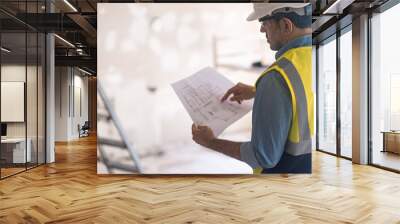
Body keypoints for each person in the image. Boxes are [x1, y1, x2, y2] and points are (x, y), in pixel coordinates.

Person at [191, 3, 314, 174]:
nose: (262, 30)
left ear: (286, 25)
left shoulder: (276, 78)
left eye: (264, 22)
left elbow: (263, 157)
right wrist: (258, 92)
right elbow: (306, 97)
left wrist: (210, 142)